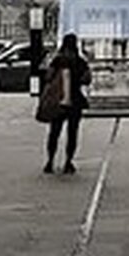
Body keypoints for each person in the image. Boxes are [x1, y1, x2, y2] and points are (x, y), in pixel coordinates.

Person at [40, 31, 92, 174]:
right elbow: (87, 79)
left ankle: (50, 161)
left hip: (58, 101)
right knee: (72, 133)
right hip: (75, 100)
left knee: (54, 132)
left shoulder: (57, 60)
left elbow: (48, 77)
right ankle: (68, 162)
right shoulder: (80, 61)